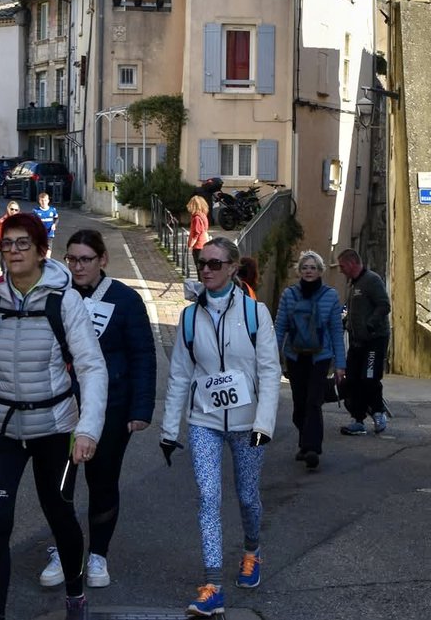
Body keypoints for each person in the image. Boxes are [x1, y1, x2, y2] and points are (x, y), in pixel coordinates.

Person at [0, 212, 109, 620]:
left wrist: (87, 430)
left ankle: (75, 595)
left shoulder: (66, 301)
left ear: (42, 250)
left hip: (55, 427)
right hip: (1, 428)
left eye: (23, 243)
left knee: (59, 512)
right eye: (7, 243)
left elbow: (92, 367)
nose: (13, 251)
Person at [161, 236, 281, 617]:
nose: (206, 270)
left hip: (248, 424)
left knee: (247, 497)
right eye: (202, 263)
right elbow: (180, 374)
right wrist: (168, 430)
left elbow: (269, 370)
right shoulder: (189, 317)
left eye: (215, 263)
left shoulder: (254, 313)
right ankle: (213, 584)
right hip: (204, 421)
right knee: (208, 499)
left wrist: (264, 423)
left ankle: (251, 550)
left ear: (232, 268)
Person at [37, 229, 156, 589]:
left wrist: (141, 409)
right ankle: (63, 548)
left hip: (112, 407)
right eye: (71, 259)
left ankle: (98, 553)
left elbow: (143, 356)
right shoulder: (55, 297)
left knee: (102, 481)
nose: (77, 266)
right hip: (59, 405)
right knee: (59, 484)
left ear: (103, 260)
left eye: (85, 259)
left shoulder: (125, 300)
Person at [274, 251, 345, 469]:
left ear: (320, 271)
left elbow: (336, 331)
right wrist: (271, 359)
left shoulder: (331, 297)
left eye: (313, 267)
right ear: (299, 271)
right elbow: (280, 328)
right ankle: (305, 442)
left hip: (320, 357)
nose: (309, 271)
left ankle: (312, 448)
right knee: (299, 403)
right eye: (305, 267)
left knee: (314, 401)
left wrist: (341, 364)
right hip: (295, 357)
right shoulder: (289, 295)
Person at [336, 248, 391, 436]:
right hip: (357, 342)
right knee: (352, 380)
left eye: (342, 266)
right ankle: (358, 419)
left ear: (352, 263)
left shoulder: (372, 280)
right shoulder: (354, 285)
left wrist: (370, 325)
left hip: (374, 340)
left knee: (369, 378)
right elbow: (355, 312)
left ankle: (378, 412)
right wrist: (346, 323)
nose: (341, 270)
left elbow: (384, 305)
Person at [187, 195, 211, 273]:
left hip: (198, 246)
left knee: (199, 268)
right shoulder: (203, 216)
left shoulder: (196, 218)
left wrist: (190, 245)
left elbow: (196, 233)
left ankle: (201, 283)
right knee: (203, 267)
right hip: (204, 243)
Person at [33, 192, 60, 256]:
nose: (43, 202)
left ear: (48, 201)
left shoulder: (52, 210)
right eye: (42, 200)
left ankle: (47, 263)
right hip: (39, 235)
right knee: (40, 254)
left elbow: (57, 218)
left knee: (47, 255)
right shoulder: (35, 211)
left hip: (49, 234)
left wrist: (54, 225)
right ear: (39, 201)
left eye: (45, 200)